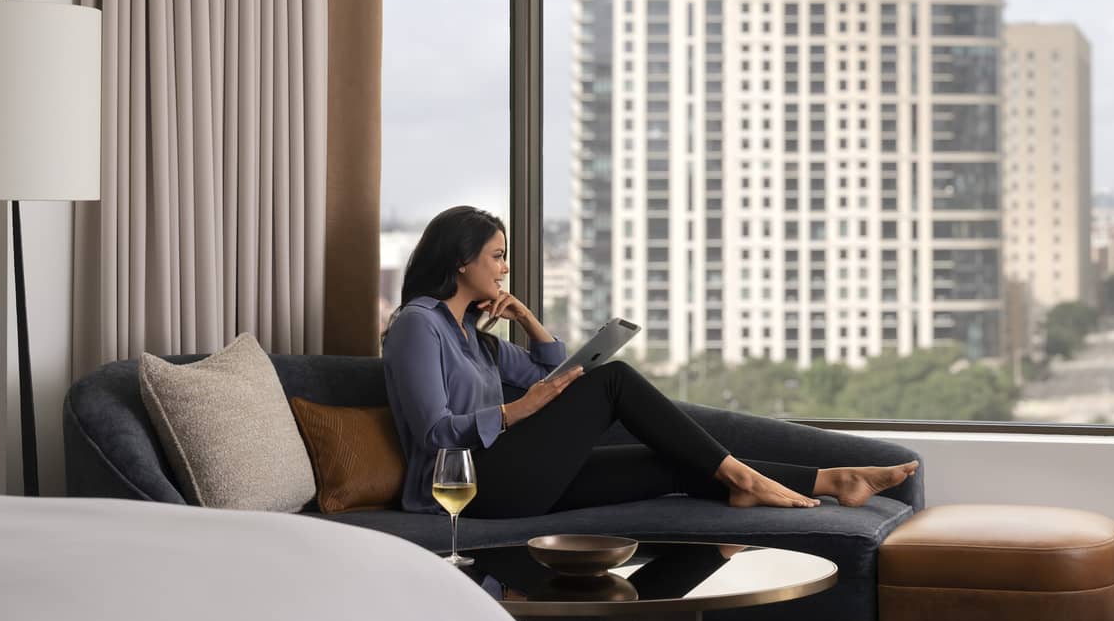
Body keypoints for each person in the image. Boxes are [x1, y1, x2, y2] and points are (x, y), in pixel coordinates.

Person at [382, 205, 918, 518]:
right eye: (497, 256)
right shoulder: (417, 325)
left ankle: (832, 480)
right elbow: (435, 433)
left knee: (669, 463)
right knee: (612, 381)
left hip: (514, 475)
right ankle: (746, 479)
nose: (504, 268)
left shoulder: (476, 337)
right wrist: (517, 412)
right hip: (464, 489)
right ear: (460, 260)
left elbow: (557, 376)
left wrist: (526, 318)